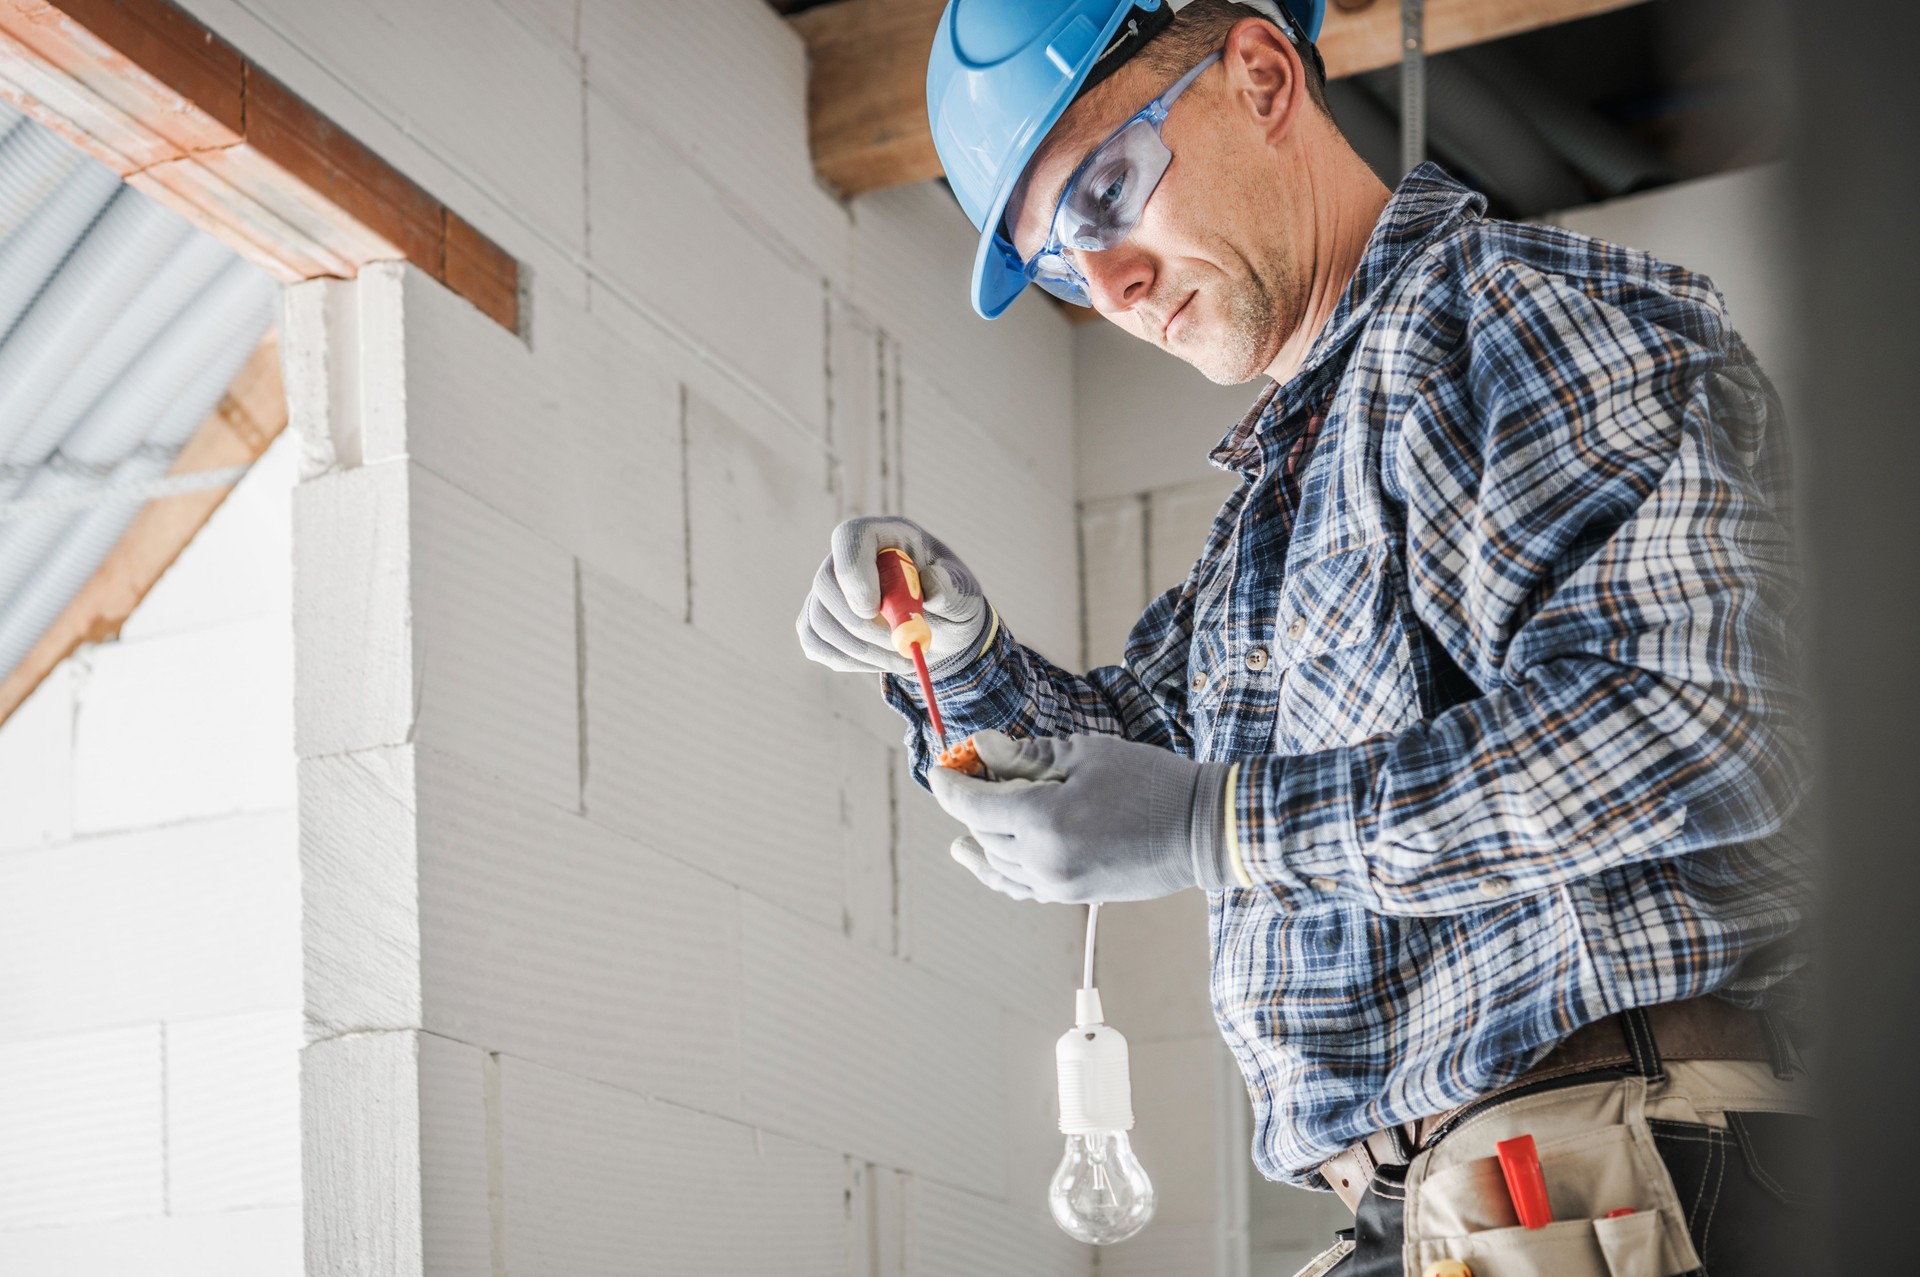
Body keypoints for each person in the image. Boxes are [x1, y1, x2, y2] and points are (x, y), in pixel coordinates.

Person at [796, 2, 1813, 1273]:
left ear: (1265, 77)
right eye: (1060, 259)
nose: (1107, 284)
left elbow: (1703, 725)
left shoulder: (1516, 319)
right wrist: (950, 654)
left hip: (1616, 1170)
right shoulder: (1270, 516)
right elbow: (1125, 769)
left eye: (1108, 191)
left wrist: (1217, 827)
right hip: (1453, 1198)